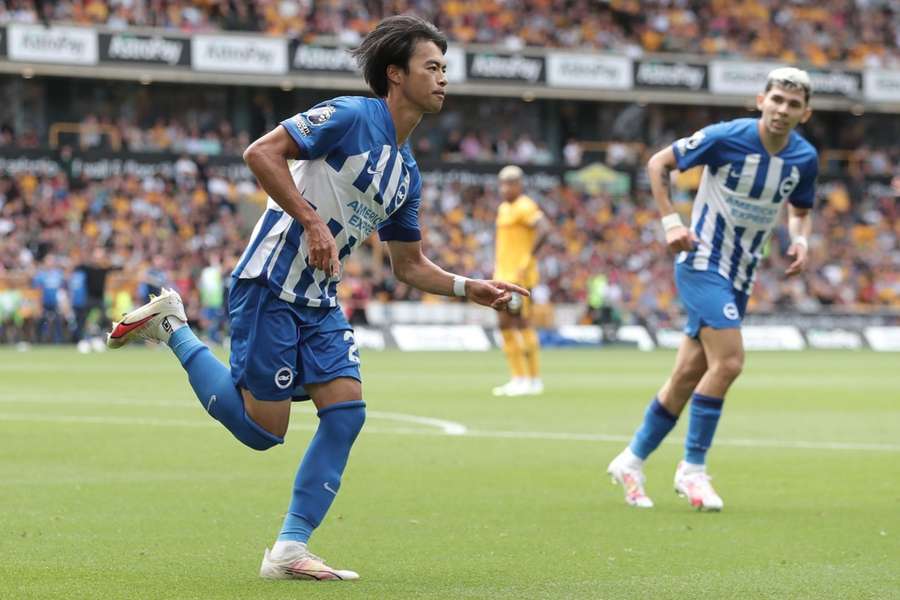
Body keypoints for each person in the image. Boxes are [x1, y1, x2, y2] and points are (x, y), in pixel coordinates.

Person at [106, 15, 526, 581]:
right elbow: (261, 152)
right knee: (263, 432)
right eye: (432, 67)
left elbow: (407, 265)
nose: (443, 78)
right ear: (396, 75)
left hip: (319, 297)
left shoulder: (407, 173)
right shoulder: (352, 116)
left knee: (347, 414)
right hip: (270, 282)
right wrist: (310, 221)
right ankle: (173, 327)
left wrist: (466, 287)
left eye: (445, 68)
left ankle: (288, 550)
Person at [606, 67, 817, 511]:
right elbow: (658, 162)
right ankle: (693, 469)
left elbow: (800, 209)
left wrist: (800, 238)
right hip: (702, 260)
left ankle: (630, 460)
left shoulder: (804, 159)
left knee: (686, 375)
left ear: (805, 112)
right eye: (776, 99)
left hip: (743, 273)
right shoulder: (728, 136)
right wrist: (671, 222)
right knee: (730, 362)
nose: (782, 109)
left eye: (792, 104)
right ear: (761, 100)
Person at [491, 165, 552, 397]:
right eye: (502, 184)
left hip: (519, 277)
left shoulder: (525, 206)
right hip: (501, 276)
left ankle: (534, 379)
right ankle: (518, 378)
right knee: (505, 325)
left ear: (519, 185)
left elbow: (544, 229)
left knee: (522, 323)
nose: (504, 188)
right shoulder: (503, 208)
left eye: (509, 183)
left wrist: (528, 259)